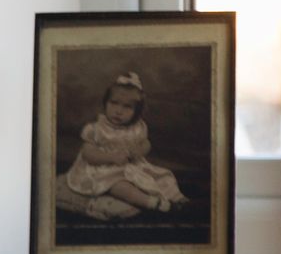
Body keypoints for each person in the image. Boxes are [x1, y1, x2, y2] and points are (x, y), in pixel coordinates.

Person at [63, 71, 189, 219]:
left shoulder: (137, 128)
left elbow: (146, 143)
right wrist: (110, 157)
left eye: (127, 107)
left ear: (136, 112)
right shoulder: (96, 129)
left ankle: (178, 199)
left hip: (131, 166)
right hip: (102, 170)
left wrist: (140, 151)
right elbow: (87, 153)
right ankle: (151, 202)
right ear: (105, 103)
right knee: (119, 186)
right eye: (114, 103)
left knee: (161, 176)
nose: (118, 111)